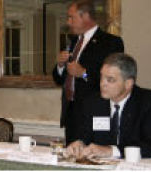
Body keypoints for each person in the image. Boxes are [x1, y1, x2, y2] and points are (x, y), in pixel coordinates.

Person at [52, 0, 124, 144]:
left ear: (85, 16)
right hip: (71, 116)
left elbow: (115, 82)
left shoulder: (110, 42)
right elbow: (59, 80)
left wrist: (84, 73)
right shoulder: (72, 42)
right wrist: (60, 65)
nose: (68, 21)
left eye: (71, 17)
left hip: (96, 114)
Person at [66, 53, 151, 159]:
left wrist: (111, 151)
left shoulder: (149, 102)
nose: (102, 83)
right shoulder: (92, 102)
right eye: (101, 77)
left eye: (110, 80)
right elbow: (84, 135)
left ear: (128, 83)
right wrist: (79, 143)